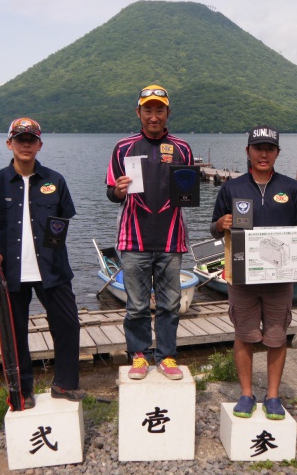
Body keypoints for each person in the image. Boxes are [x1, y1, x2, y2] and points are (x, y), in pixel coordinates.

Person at [0, 118, 84, 408]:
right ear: (9, 143)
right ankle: (21, 390)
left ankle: (64, 384)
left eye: (31, 140)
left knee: (67, 325)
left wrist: (54, 251)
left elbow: (62, 220)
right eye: (20, 139)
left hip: (52, 269)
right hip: (9, 271)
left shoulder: (54, 180)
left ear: (39, 145)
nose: (25, 144)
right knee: (14, 333)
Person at [210, 125, 297, 419]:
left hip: (280, 278)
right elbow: (213, 227)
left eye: (270, 148)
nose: (264, 154)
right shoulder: (232, 188)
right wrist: (221, 224)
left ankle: (272, 396)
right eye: (258, 148)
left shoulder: (292, 189)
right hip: (243, 276)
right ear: (247, 152)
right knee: (244, 335)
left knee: (277, 336)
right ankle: (245, 394)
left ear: (278, 153)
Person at [106, 84, 194, 380]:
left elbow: (187, 194)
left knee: (171, 304)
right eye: (148, 110)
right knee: (136, 305)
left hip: (171, 240)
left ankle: (167, 356)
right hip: (133, 240)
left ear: (168, 113)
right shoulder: (123, 147)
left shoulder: (182, 148)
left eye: (159, 110)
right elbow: (111, 193)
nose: (153, 116)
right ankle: (140, 355)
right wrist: (118, 191)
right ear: (138, 112)